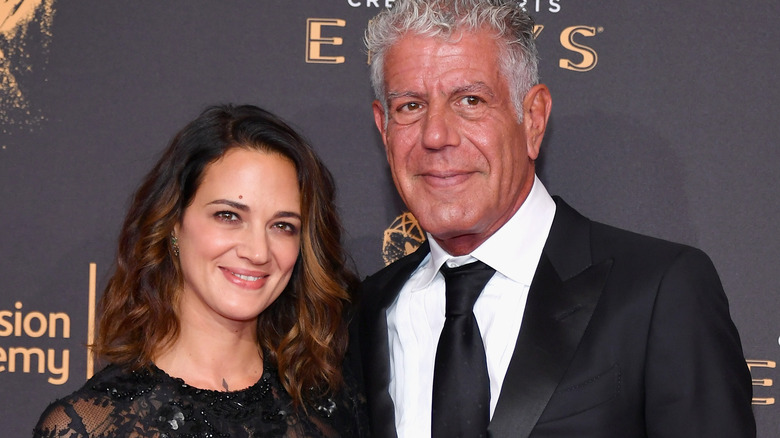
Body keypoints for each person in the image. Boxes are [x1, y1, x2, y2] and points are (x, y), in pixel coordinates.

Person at [349, 1, 756, 437]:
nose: (435, 136)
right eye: (410, 106)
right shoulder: (364, 312)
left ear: (534, 120)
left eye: (470, 100)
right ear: (383, 127)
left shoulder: (659, 292)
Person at [34, 104, 367, 437]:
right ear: (173, 225)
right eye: (228, 216)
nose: (257, 251)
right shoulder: (87, 427)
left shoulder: (333, 403)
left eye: (282, 225)